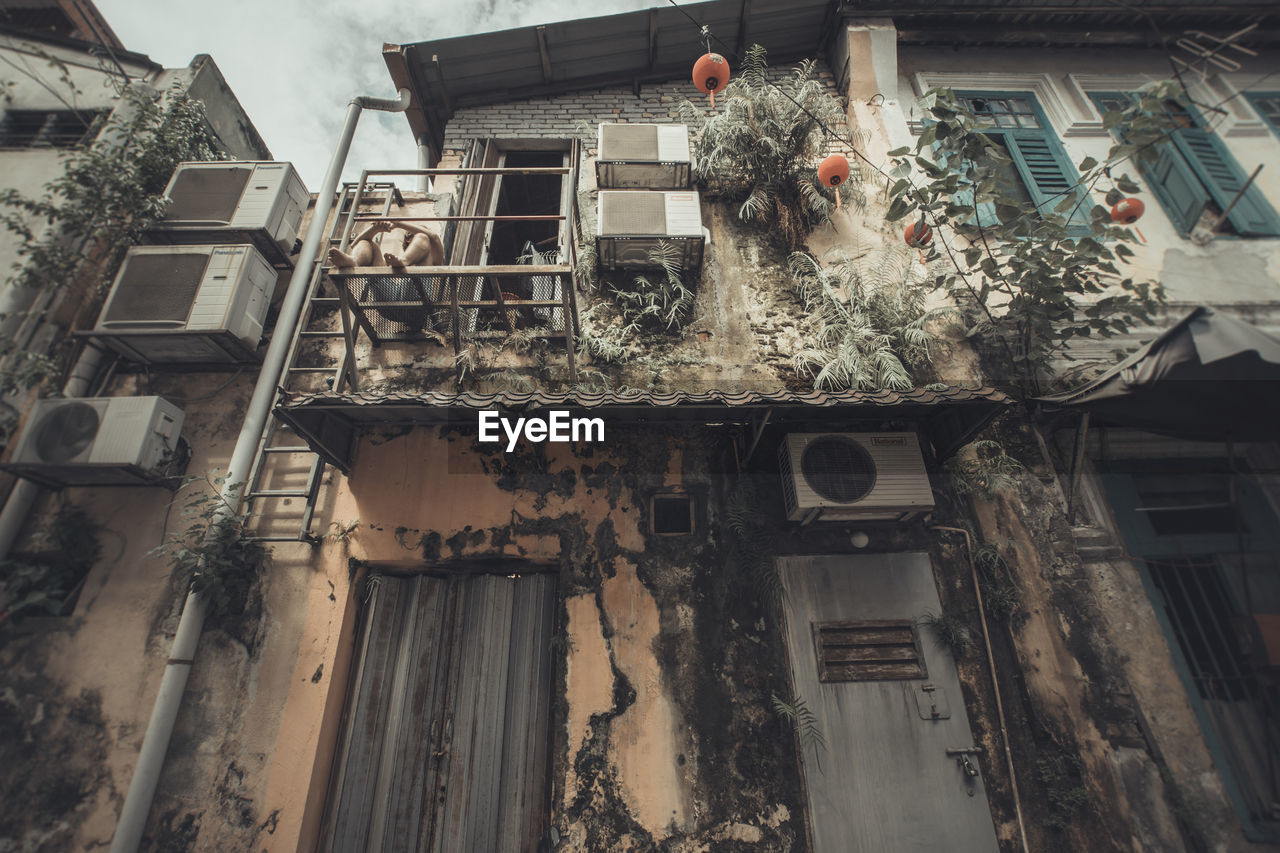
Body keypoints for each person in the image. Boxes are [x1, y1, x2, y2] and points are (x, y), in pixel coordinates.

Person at [326, 219, 444, 269]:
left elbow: (432, 237)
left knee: (424, 237)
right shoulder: (392, 261)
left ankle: (404, 262)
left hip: (421, 295)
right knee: (367, 243)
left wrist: (398, 223)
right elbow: (355, 244)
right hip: (390, 296)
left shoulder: (434, 259)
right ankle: (353, 262)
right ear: (409, 241)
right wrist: (375, 229)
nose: (421, 240)